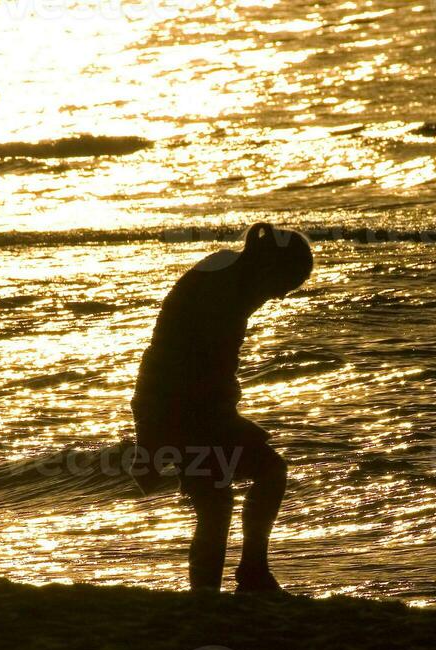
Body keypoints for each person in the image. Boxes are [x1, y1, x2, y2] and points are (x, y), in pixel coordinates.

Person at [130, 222, 313, 592]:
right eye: (281, 288)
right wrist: (152, 436)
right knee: (227, 492)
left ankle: (239, 579)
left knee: (228, 492)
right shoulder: (224, 289)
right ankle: (226, 586)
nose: (276, 298)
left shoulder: (228, 274)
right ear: (269, 269)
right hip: (179, 405)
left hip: (180, 403)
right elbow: (194, 363)